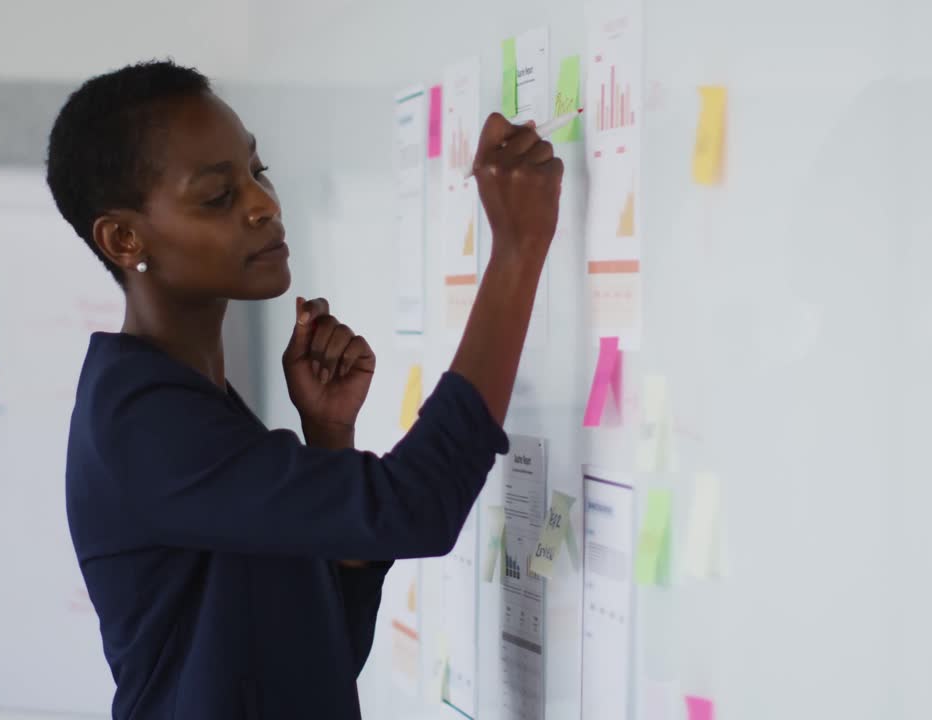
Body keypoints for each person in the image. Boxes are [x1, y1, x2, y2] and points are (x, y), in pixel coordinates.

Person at [46, 60, 563, 720]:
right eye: (217, 197)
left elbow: (316, 658)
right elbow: (418, 509)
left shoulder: (192, 405)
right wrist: (517, 252)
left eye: (256, 173)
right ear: (124, 238)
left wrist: (329, 442)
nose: (264, 204)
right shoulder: (143, 423)